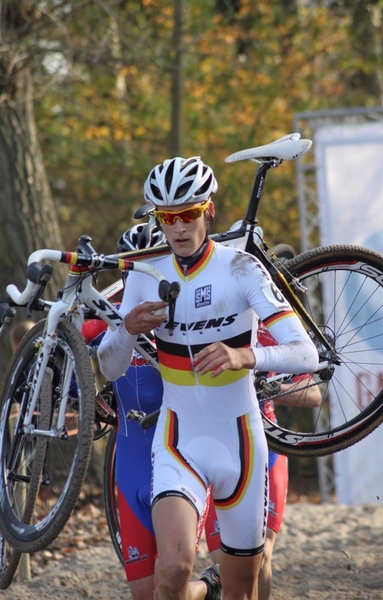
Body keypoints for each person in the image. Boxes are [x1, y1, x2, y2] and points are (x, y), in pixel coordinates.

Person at [98, 156, 319, 600]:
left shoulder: (241, 268)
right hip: (178, 440)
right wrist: (127, 330)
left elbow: (307, 354)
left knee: (241, 588)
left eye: (188, 214)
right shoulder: (144, 276)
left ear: (209, 210)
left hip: (242, 442)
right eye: (167, 217)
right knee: (175, 568)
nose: (178, 227)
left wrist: (245, 354)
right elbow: (108, 367)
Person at [83, 220, 221, 600]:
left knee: (170, 580)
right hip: (129, 462)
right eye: (128, 274)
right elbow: (67, 342)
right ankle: (208, 589)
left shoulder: (192, 314)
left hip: (178, 456)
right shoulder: (111, 314)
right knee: (146, 594)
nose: (134, 289)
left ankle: (206, 585)